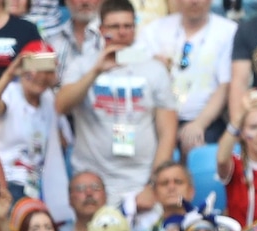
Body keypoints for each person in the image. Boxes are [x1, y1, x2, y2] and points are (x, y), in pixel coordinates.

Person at [58, 0, 177, 205]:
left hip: (140, 180)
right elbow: (61, 105)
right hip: (93, 182)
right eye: (114, 26)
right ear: (102, 30)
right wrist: (96, 71)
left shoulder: (154, 68)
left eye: (127, 26)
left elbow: (168, 132)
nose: (122, 32)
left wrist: (153, 183)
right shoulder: (82, 65)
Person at [0, 41, 61, 207]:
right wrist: (10, 73)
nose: (40, 76)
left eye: (46, 70)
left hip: (38, 183)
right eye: (35, 68)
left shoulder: (49, 98)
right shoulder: (10, 92)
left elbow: (62, 142)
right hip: (9, 181)